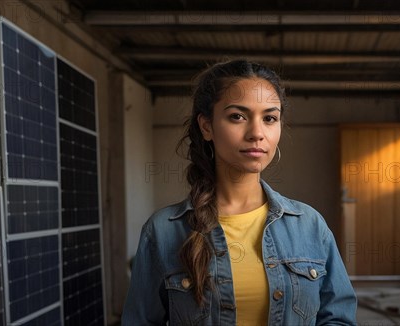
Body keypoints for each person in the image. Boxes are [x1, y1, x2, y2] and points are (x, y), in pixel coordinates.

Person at [122, 59, 357, 325]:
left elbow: (338, 319)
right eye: (238, 116)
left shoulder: (310, 226)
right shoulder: (163, 231)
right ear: (207, 126)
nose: (257, 133)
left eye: (269, 118)